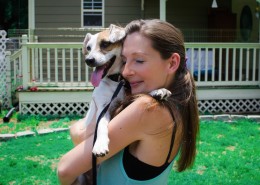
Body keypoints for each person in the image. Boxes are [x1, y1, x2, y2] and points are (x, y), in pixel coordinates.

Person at [57, 19, 199, 185]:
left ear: (172, 63)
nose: (125, 71)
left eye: (139, 60)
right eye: (124, 60)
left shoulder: (146, 108)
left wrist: (77, 129)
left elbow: (65, 168)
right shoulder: (175, 103)